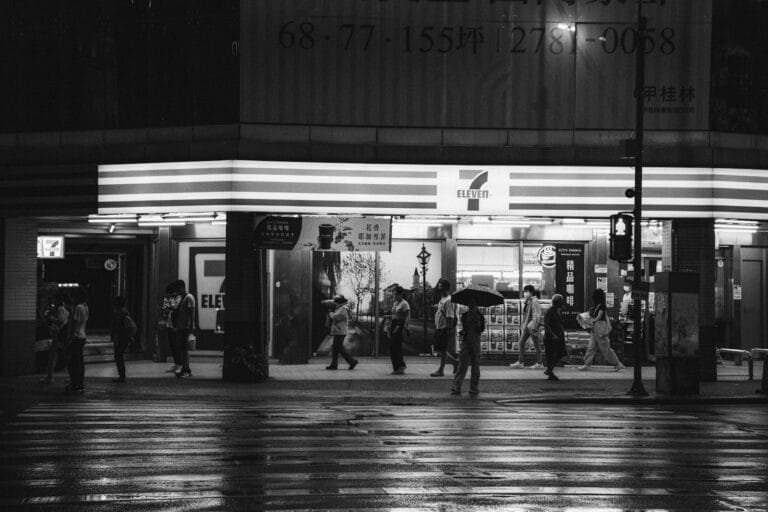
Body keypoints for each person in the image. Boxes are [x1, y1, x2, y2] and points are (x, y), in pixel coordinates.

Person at [579, 288, 625, 372]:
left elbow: (599, 316)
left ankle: (618, 364)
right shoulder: (597, 305)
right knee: (591, 347)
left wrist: (594, 321)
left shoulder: (601, 306)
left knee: (606, 348)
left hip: (600, 329)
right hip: (595, 328)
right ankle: (586, 364)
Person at [451, 298, 485, 395]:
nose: (471, 306)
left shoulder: (480, 316)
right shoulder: (465, 315)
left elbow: (480, 329)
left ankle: (472, 388)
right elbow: (465, 328)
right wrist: (463, 331)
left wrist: (476, 321)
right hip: (469, 341)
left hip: (473, 341)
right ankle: (458, 386)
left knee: (473, 365)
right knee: (464, 365)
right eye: (470, 304)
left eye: (473, 304)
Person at [509, 284, 543, 369]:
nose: (525, 293)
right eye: (525, 291)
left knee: (536, 345)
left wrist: (534, 326)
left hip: (532, 327)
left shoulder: (534, 301)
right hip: (527, 327)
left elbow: (537, 315)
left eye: (526, 291)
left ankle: (539, 363)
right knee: (521, 343)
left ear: (531, 292)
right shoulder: (528, 301)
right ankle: (520, 362)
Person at [40, 293, 70, 384]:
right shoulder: (65, 309)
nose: (52, 301)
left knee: (53, 356)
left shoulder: (60, 309)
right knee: (58, 355)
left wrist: (51, 318)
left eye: (53, 299)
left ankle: (50, 377)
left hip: (58, 335)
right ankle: (68, 377)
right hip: (61, 335)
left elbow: (60, 321)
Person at [431, 278, 459, 377]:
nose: (438, 287)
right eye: (439, 285)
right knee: (440, 349)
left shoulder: (449, 300)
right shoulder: (442, 299)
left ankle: (441, 370)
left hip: (444, 328)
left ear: (446, 288)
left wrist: (447, 330)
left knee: (442, 350)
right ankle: (455, 362)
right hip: (440, 327)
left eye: (440, 286)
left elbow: (450, 316)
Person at [65, 288, 89, 394]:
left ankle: (75, 384)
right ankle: (80, 383)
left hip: (76, 337)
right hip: (82, 336)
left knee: (73, 362)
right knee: (79, 361)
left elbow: (74, 323)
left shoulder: (78, 307)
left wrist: (69, 337)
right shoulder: (85, 306)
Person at [325, 295, 358, 370]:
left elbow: (335, 317)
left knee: (339, 348)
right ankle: (334, 364)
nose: (335, 304)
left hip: (340, 331)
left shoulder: (343, 309)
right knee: (335, 348)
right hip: (338, 331)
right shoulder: (340, 308)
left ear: (340, 303)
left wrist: (330, 313)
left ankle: (352, 361)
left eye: (336, 303)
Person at [110, 296, 137, 383]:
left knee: (118, 356)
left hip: (121, 337)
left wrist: (115, 337)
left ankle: (122, 376)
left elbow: (118, 327)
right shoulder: (124, 312)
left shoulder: (120, 313)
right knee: (119, 356)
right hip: (124, 337)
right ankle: (122, 375)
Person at [173, 280, 195, 378]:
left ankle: (186, 369)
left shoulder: (189, 297)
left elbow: (192, 312)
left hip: (185, 327)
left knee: (184, 349)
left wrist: (191, 326)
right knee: (182, 348)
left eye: (178, 289)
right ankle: (184, 368)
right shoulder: (183, 298)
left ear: (182, 287)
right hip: (181, 327)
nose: (177, 292)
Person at [543, 294, 567, 381]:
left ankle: (549, 370)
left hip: (558, 336)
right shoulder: (550, 311)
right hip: (551, 338)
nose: (563, 302)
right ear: (558, 302)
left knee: (560, 353)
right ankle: (550, 371)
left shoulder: (558, 310)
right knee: (552, 355)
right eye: (561, 301)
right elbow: (546, 324)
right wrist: (553, 335)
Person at [161, 283, 182, 373]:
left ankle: (179, 365)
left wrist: (168, 306)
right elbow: (167, 311)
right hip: (169, 324)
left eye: (169, 294)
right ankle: (176, 364)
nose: (168, 296)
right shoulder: (172, 299)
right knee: (172, 346)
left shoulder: (179, 298)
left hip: (175, 325)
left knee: (176, 346)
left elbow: (175, 308)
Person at [389, 285, 410, 375]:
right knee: (392, 347)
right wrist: (389, 325)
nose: (394, 296)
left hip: (399, 325)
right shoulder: (395, 303)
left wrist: (403, 327)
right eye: (393, 295)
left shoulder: (404, 304)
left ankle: (401, 367)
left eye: (396, 295)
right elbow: (394, 315)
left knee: (396, 346)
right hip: (394, 324)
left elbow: (407, 317)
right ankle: (396, 367)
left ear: (400, 294)